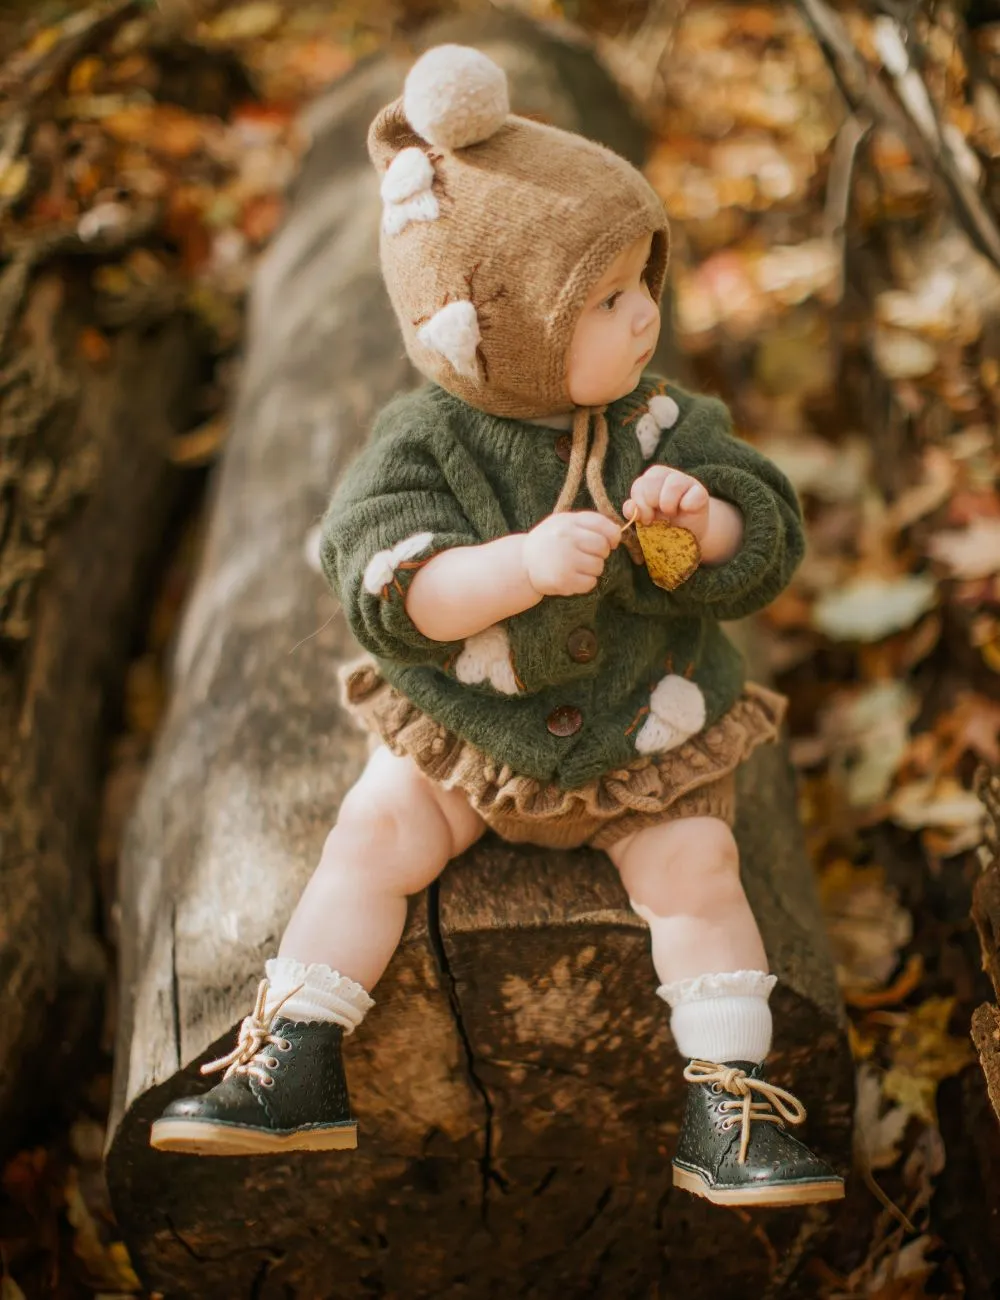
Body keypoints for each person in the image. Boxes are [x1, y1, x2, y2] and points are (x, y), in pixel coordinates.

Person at [150, 43, 844, 1208]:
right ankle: (295, 1054)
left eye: (645, 285)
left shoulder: (664, 417)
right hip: (470, 734)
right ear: (500, 326)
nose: (645, 317)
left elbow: (767, 524)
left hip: (637, 734)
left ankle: (729, 1101)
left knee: (701, 865)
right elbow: (383, 581)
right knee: (372, 834)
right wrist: (512, 568)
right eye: (609, 299)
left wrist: (707, 521)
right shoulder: (423, 442)